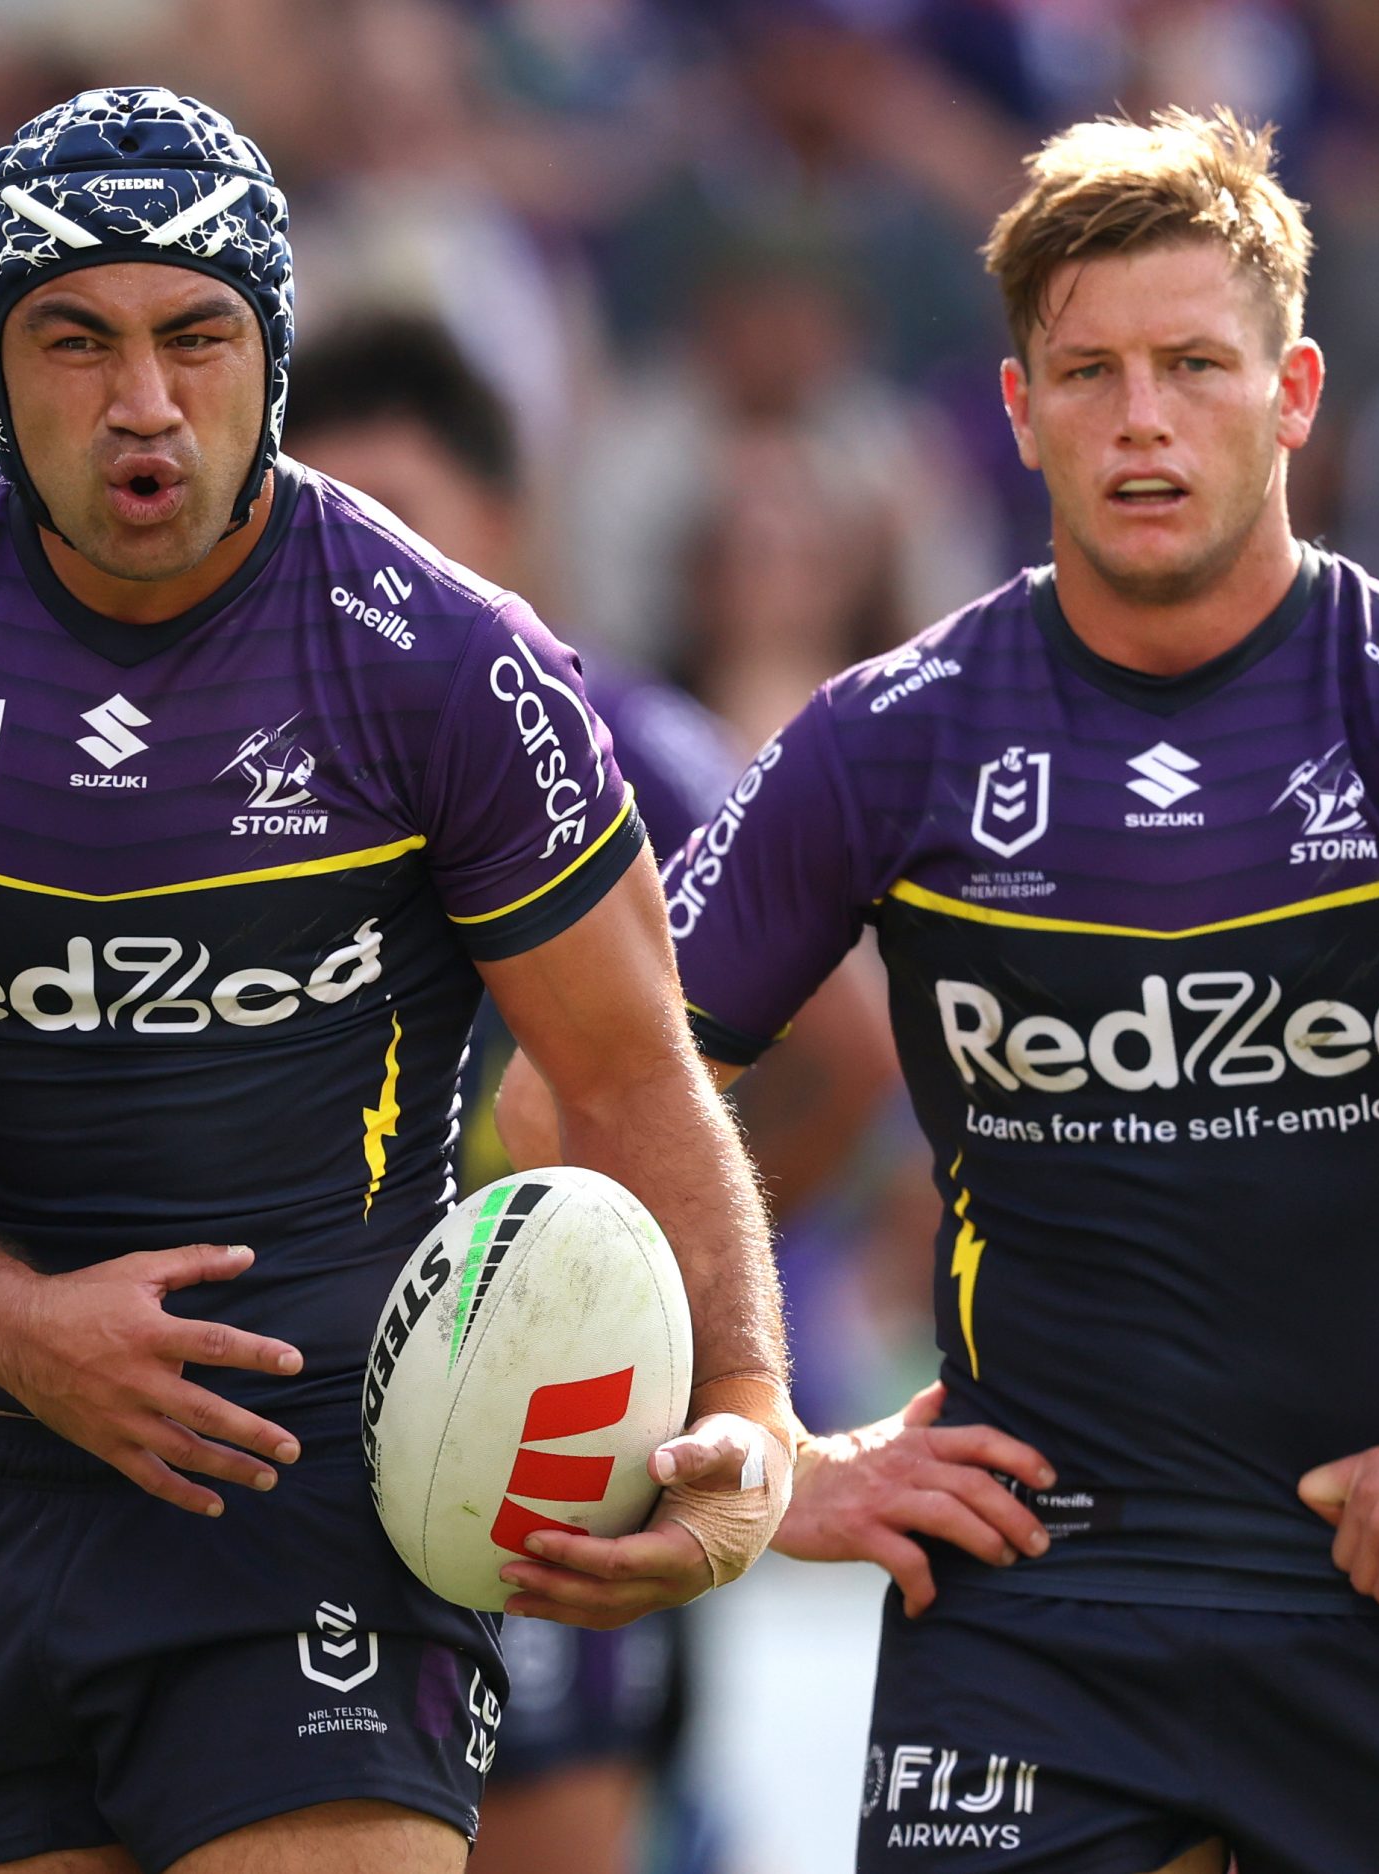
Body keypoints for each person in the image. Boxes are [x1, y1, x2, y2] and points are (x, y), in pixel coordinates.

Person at [501, 107, 1379, 1872]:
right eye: (1089, 372)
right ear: (1019, 408)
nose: (1144, 420)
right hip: (1027, 1618)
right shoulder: (894, 739)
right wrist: (771, 1438)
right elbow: (564, 1093)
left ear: (1297, 390)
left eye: (1195, 363)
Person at [0, 88, 795, 1874]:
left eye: (195, 336)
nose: (144, 399)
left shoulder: (453, 666)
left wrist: (749, 1399)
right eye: (77, 340)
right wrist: (16, 1325)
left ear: (271, 356)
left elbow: (633, 1081)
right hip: (7, 1479)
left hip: (333, 1497)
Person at [279, 309, 890, 1874]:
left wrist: (649, 1315)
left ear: (503, 527)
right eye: (319, 524)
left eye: (400, 521)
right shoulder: (241, 765)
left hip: (539, 1423)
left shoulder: (613, 746)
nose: (359, 569)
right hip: (301, 1417)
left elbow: (843, 1042)